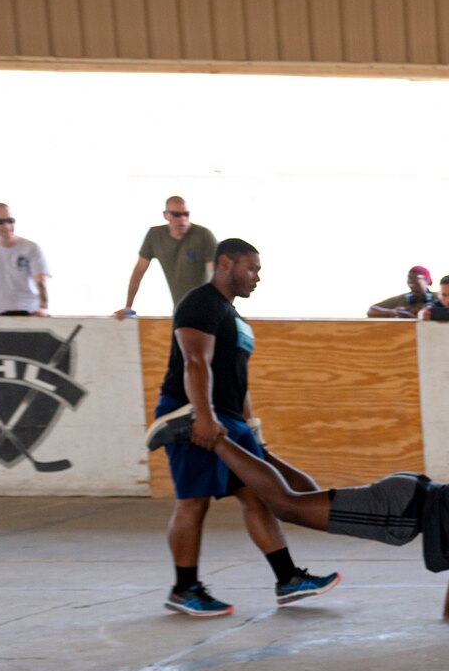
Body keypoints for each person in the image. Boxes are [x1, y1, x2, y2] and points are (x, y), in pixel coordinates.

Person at [141, 427, 449, 621]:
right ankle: (213, 439)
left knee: (302, 496)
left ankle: (256, 452)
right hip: (399, 510)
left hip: (407, 502)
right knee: (289, 506)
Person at [140, 239, 340, 617]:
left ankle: (288, 580)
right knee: (194, 500)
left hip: (231, 419)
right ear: (226, 263)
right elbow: (195, 363)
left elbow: (238, 380)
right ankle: (184, 589)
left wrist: (254, 432)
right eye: (252, 268)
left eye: (259, 271)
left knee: (257, 496)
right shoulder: (199, 303)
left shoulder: (235, 318)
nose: (257, 278)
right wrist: (202, 416)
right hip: (191, 414)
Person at [116, 196, 214, 319]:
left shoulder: (203, 235)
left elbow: (215, 275)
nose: (182, 219)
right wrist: (128, 306)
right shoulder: (155, 235)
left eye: (186, 214)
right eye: (176, 215)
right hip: (179, 312)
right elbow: (138, 272)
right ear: (166, 215)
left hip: (207, 311)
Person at [369, 267, 435, 319]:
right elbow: (372, 310)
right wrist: (392, 312)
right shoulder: (401, 299)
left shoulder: (439, 298)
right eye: (409, 278)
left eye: (417, 278)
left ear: (428, 281)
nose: (411, 281)